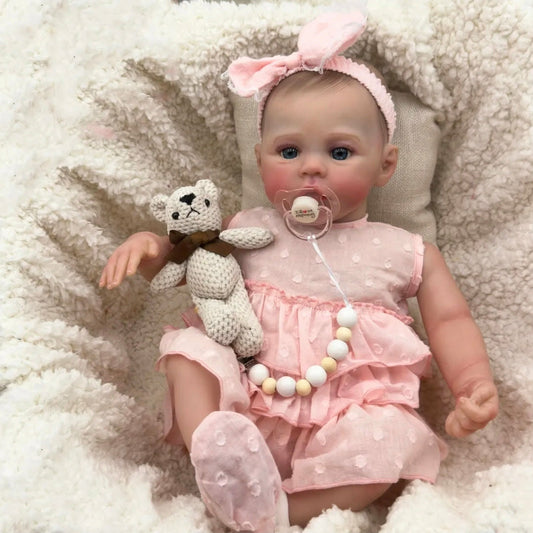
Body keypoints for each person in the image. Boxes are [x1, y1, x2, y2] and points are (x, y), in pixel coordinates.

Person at [99, 9, 498, 532]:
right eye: (289, 151)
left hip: (345, 418)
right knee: (189, 351)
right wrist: (152, 248)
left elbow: (449, 320)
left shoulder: (405, 249)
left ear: (386, 165)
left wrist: (472, 383)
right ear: (261, 159)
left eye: (339, 151)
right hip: (243, 405)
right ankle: (216, 455)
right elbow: (193, 269)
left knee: (393, 437)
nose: (311, 166)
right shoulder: (248, 227)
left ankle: (280, 512)